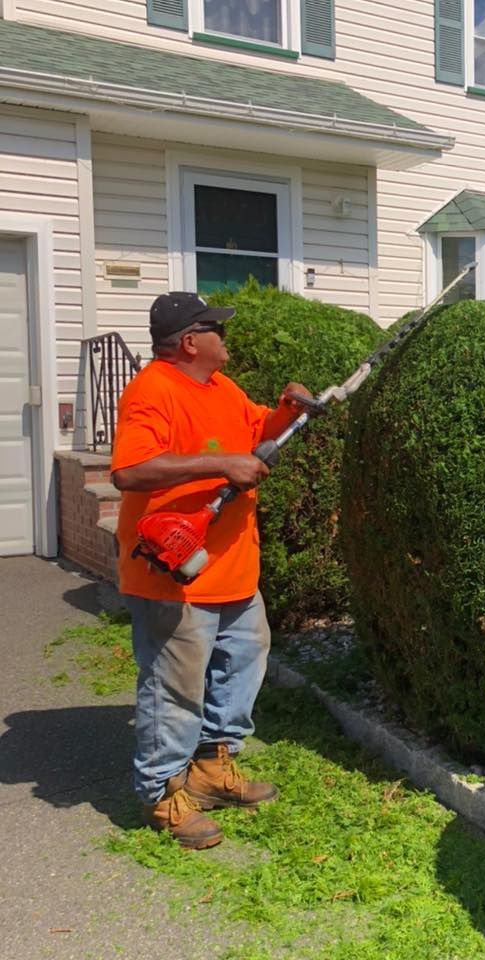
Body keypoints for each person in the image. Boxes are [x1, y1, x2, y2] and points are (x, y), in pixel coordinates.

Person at [111, 291, 310, 849]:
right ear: (190, 342)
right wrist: (221, 463)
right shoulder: (153, 390)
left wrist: (287, 412)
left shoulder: (220, 386)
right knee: (174, 684)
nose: (226, 337)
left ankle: (212, 767)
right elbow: (130, 470)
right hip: (175, 571)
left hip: (231, 565)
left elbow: (256, 433)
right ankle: (161, 793)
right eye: (215, 329)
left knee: (242, 662)